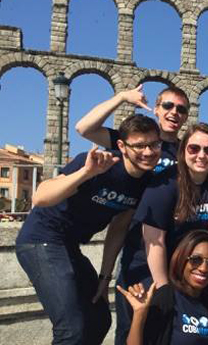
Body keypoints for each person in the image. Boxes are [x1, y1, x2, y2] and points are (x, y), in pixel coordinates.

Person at [16, 115, 161, 345]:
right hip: (40, 240)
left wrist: (105, 277)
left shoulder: (144, 182)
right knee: (71, 329)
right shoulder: (98, 164)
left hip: (69, 247)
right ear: (122, 146)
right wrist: (86, 173)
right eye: (140, 146)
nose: (148, 152)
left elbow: (118, 228)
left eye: (154, 144)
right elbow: (40, 196)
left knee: (99, 318)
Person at [75, 85, 190, 344]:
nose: (174, 112)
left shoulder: (188, 152)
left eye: (181, 109)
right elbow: (84, 128)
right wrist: (122, 98)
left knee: (169, 331)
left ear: (186, 116)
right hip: (137, 254)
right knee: (131, 330)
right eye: (168, 106)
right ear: (157, 109)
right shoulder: (136, 141)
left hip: (174, 252)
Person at [136, 123, 208, 288]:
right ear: (182, 152)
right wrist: (162, 286)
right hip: (151, 270)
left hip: (189, 270)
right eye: (194, 148)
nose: (202, 155)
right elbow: (154, 242)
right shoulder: (164, 185)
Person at [118, 229, 208, 345]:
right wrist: (139, 314)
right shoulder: (167, 298)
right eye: (196, 260)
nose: (203, 268)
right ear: (182, 259)